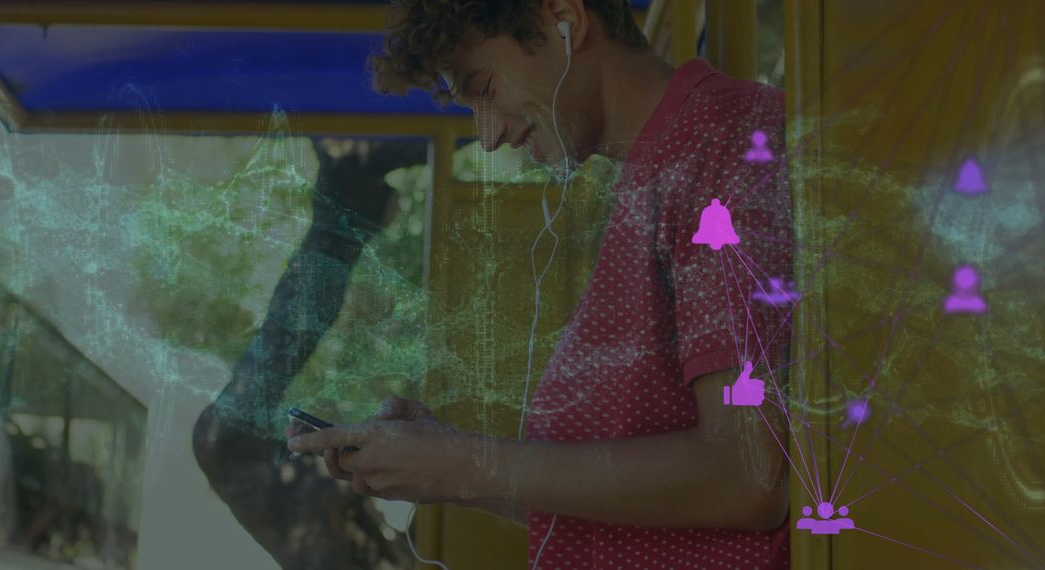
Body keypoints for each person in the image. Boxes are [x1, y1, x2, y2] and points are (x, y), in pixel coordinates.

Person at [286, 0, 794, 568]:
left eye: (484, 86)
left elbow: (749, 477)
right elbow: (626, 509)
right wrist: (444, 471)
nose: (489, 135)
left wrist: (469, 463)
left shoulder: (723, 141)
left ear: (565, 20)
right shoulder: (648, 176)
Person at [192, 138, 425, 569]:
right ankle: (350, 200)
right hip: (252, 456)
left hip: (233, 446)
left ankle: (346, 197)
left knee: (287, 336)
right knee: (288, 336)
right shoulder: (371, 548)